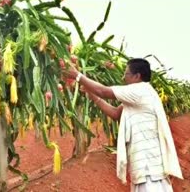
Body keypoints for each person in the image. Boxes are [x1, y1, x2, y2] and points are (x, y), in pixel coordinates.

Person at [63, 58, 183, 191]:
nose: (123, 77)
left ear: (137, 76)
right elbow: (116, 114)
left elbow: (104, 91)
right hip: (145, 169)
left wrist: (77, 75)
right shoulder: (140, 95)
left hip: (149, 170)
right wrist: (94, 97)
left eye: (126, 74)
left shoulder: (140, 90)